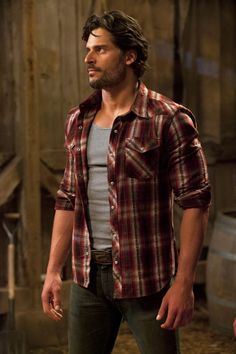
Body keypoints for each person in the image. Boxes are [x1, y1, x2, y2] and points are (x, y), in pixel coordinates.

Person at [41, 10, 211, 354]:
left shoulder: (168, 119)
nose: (88, 58)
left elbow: (195, 202)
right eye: (88, 49)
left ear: (129, 56)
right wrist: (52, 272)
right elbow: (67, 198)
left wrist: (184, 283)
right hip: (88, 279)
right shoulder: (78, 120)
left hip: (149, 279)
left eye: (100, 50)